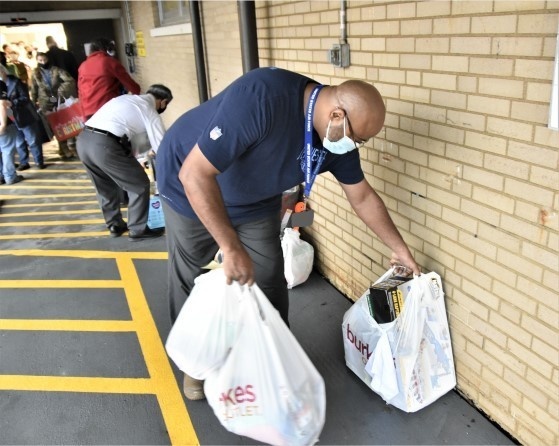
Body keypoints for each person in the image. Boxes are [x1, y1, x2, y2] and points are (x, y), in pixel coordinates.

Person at [156, 67, 420, 400]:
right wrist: (229, 245)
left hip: (255, 200)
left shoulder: (336, 136)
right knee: (189, 275)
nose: (357, 147)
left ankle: (271, 358)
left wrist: (399, 248)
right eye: (359, 138)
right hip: (190, 189)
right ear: (337, 114)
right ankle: (195, 366)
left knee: (267, 276)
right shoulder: (264, 97)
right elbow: (194, 174)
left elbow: (362, 196)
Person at [76, 84, 172, 240]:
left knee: (104, 186)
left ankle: (114, 225)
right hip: (105, 145)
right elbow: (161, 145)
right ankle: (138, 229)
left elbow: (130, 135)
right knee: (139, 184)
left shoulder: (125, 99)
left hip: (84, 140)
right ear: (163, 102)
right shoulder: (149, 109)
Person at [30, 52, 77, 160]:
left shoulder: (56, 70)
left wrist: (60, 90)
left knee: (61, 125)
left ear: (48, 59)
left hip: (58, 99)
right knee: (53, 126)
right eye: (40, 60)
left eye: (44, 60)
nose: (43, 62)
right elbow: (33, 89)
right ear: (37, 61)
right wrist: (33, 103)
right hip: (45, 102)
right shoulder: (35, 73)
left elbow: (69, 80)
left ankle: (63, 148)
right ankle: (63, 148)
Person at [78, 37, 140, 119]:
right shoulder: (108, 62)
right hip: (107, 109)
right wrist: (137, 92)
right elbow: (129, 83)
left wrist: (84, 117)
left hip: (89, 113)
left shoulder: (82, 66)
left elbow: (80, 92)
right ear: (106, 48)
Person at [0, 64, 45, 170]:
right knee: (19, 141)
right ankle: (24, 162)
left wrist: (12, 102)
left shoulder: (16, 82)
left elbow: (25, 97)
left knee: (32, 139)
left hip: (23, 115)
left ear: (4, 71)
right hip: (10, 117)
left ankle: (38, 161)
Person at [0, 78, 23, 185]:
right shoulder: (0, 84)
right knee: (7, 150)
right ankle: (10, 176)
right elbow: (2, 104)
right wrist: (3, 124)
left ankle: (1, 176)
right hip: (4, 124)